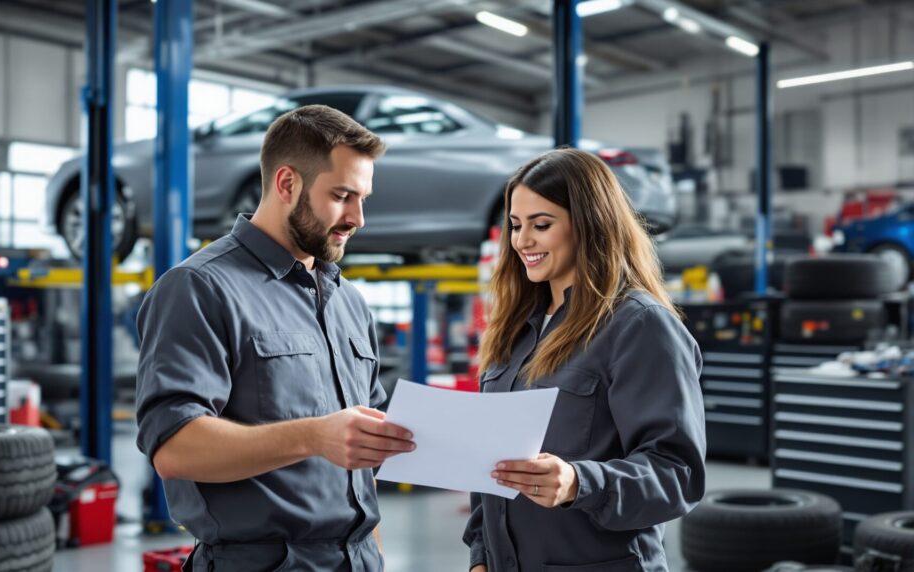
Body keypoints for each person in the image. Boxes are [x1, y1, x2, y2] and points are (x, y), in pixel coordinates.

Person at [135, 105, 416, 572]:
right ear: (287, 184)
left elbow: (362, 465)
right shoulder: (200, 288)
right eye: (342, 196)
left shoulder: (348, 301)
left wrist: (375, 554)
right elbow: (174, 447)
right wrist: (314, 436)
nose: (358, 218)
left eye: (363, 198)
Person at [463, 148, 706, 572]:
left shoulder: (639, 325)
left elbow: (677, 474)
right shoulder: (513, 330)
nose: (522, 241)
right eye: (516, 225)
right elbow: (490, 467)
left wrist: (580, 483)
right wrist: (481, 556)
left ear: (590, 224)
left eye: (541, 225)